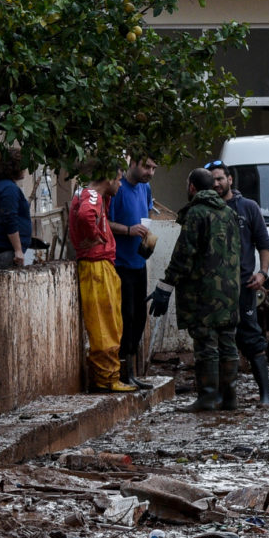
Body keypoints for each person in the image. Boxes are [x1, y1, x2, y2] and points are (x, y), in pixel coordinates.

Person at [163, 166, 242, 412]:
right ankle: (229, 398)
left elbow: (184, 254)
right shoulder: (228, 212)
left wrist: (166, 283)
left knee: (206, 345)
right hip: (230, 291)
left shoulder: (196, 213)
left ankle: (208, 398)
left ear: (192, 187)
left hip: (204, 292)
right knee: (228, 343)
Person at [210, 160, 269, 407]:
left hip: (243, 286)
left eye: (220, 178)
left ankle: (265, 395)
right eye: (212, 180)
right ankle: (222, 396)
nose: (216, 184)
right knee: (217, 341)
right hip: (215, 290)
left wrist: (263, 274)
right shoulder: (207, 209)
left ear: (230, 179)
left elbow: (264, 244)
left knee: (252, 338)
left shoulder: (247, 207)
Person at [67, 167, 136, 395]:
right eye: (118, 180)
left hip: (98, 265)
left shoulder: (87, 194)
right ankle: (107, 379)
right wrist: (94, 237)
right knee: (106, 323)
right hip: (97, 265)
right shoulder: (92, 195)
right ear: (108, 179)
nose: (120, 185)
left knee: (108, 321)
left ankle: (106, 377)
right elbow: (86, 215)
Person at [107, 155, 158, 385]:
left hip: (139, 262)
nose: (150, 172)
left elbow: (147, 216)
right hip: (120, 263)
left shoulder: (145, 189)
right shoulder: (117, 187)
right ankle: (121, 372)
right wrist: (128, 230)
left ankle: (132, 371)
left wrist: (147, 238)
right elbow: (104, 222)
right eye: (146, 166)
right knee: (124, 317)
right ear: (133, 163)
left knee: (139, 316)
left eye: (154, 168)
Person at [0, 150, 33, 270]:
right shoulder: (9, 189)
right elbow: (9, 219)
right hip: (6, 251)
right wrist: (18, 250)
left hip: (4, 249)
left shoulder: (1, 186)